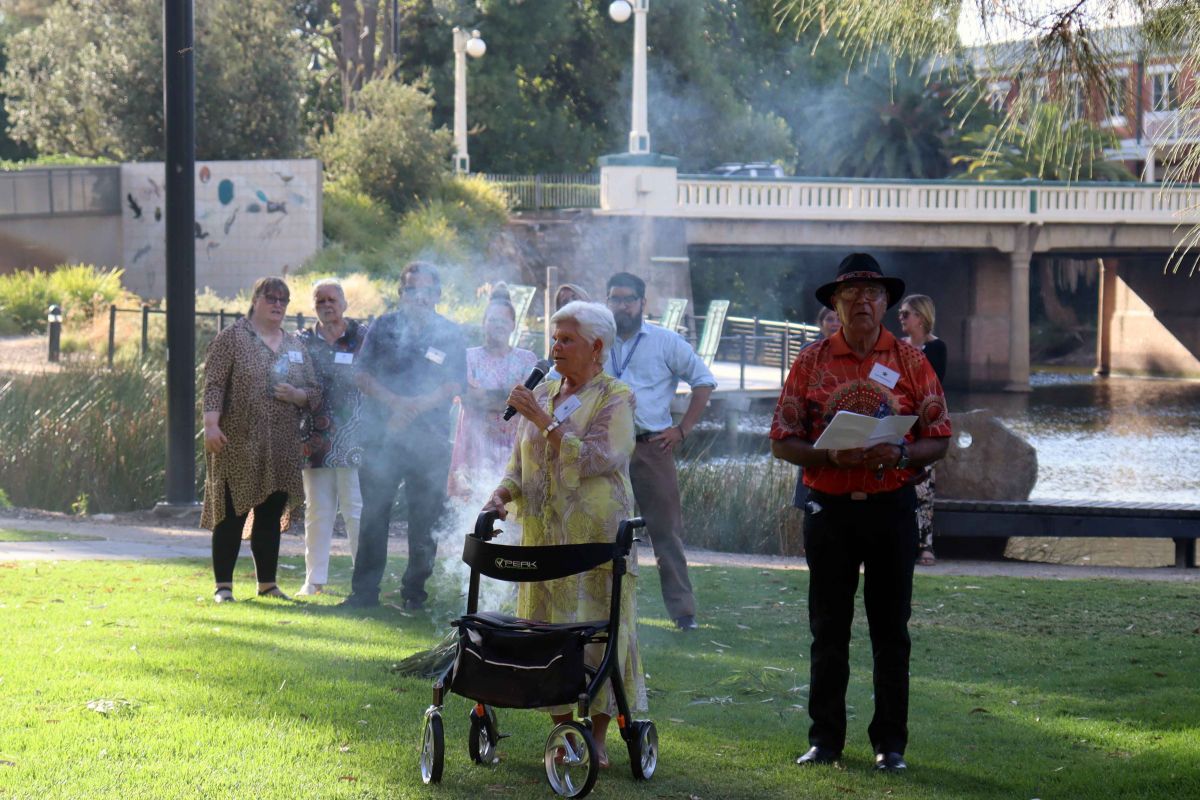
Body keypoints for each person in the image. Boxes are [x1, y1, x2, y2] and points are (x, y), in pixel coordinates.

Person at [769, 253, 951, 772]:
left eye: (872, 294)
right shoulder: (811, 362)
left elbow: (938, 438)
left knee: (891, 631)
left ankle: (890, 745)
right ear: (836, 305)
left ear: (887, 302)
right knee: (828, 629)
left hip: (891, 508)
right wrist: (828, 454)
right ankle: (825, 740)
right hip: (829, 511)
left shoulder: (913, 362)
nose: (863, 302)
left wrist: (899, 452)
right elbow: (782, 440)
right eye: (851, 296)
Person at [482, 300, 645, 769]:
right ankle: (562, 733)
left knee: (596, 635)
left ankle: (596, 738)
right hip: (543, 539)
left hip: (593, 543)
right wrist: (501, 492)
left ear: (596, 346)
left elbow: (599, 459)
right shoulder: (546, 392)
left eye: (566, 338)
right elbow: (521, 461)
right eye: (553, 337)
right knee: (545, 633)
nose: (555, 347)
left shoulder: (616, 396)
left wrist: (543, 419)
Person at [345, 262, 466, 610]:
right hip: (382, 437)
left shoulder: (451, 333)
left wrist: (416, 405)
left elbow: (456, 382)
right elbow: (361, 375)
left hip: (429, 441)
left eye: (427, 290)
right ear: (401, 293)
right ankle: (364, 594)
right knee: (374, 514)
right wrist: (397, 402)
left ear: (438, 295)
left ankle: (414, 593)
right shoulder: (383, 327)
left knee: (425, 519)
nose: (420, 297)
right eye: (412, 290)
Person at [604, 272, 715, 631]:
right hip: (603, 449)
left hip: (651, 445)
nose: (622, 306)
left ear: (642, 303)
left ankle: (684, 614)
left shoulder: (665, 341)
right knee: (601, 529)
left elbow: (703, 381)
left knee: (665, 531)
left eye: (628, 299)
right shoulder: (597, 342)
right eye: (615, 299)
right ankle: (602, 610)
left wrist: (682, 430)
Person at [201, 277, 321, 603]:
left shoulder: (295, 345)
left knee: (269, 517)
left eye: (284, 299)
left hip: (281, 444)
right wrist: (211, 424)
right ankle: (223, 588)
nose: (278, 305)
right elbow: (214, 385)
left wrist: (297, 395)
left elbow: (314, 391)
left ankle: (267, 584)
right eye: (272, 298)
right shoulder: (232, 338)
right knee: (231, 515)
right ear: (256, 300)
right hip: (236, 441)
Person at [296, 278, 368, 595]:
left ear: (344, 303)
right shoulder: (303, 339)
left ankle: (361, 580)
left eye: (332, 299)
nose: (326, 305)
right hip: (314, 436)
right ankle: (314, 580)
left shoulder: (363, 336)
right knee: (317, 510)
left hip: (355, 433)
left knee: (355, 508)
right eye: (319, 300)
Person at [446, 284, 538, 498]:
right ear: (483, 323)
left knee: (511, 511)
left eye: (504, 320)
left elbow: (526, 402)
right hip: (474, 446)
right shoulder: (468, 357)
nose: (498, 325)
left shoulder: (527, 359)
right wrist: (507, 396)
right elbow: (469, 398)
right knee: (471, 512)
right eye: (493, 319)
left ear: (513, 325)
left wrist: (486, 395)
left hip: (513, 447)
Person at [898, 294, 947, 568]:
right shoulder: (896, 347)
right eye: (901, 314)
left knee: (925, 484)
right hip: (899, 421)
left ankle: (925, 544)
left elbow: (933, 385)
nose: (902, 319)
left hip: (925, 425)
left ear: (921, 317)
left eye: (906, 314)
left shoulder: (936, 348)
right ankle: (900, 541)